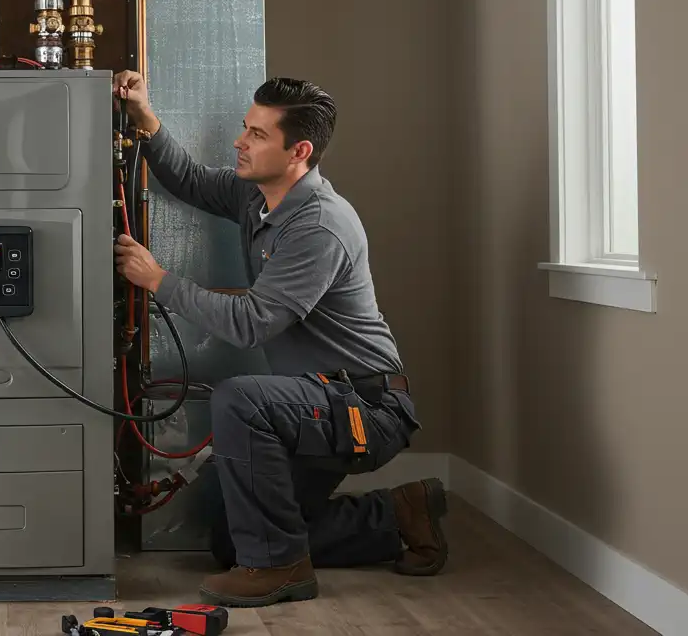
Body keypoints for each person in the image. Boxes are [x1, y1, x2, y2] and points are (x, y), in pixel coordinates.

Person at [111, 71, 447, 608]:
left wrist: (158, 280)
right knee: (229, 539)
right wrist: (145, 122)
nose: (240, 142)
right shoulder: (259, 197)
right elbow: (193, 181)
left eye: (258, 135)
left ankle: (282, 570)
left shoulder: (318, 225)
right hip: (318, 400)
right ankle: (398, 515)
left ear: (300, 151)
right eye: (246, 128)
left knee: (242, 399)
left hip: (364, 404)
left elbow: (251, 324)